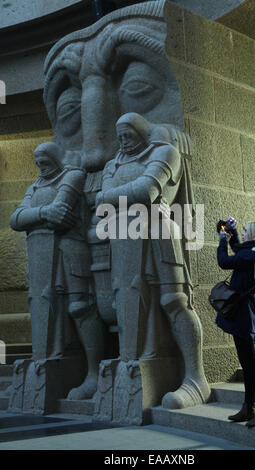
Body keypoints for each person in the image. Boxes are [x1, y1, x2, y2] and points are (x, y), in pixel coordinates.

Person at [95, 112, 211, 409]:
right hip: (124, 237)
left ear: (142, 132)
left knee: (174, 301)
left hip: (161, 233)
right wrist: (125, 198)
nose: (123, 140)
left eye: (128, 134)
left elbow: (148, 190)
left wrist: (115, 198)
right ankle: (142, 369)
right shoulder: (114, 163)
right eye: (119, 135)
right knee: (126, 301)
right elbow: (100, 201)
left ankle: (196, 378)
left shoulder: (165, 152)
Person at [10, 142, 105, 400]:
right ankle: (45, 365)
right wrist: (43, 212)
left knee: (80, 307)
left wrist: (38, 216)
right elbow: (16, 218)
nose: (41, 165)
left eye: (46, 160)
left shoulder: (72, 175)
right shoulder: (37, 186)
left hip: (71, 251)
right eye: (37, 162)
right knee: (43, 305)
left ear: (57, 157)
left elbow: (61, 211)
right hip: (42, 254)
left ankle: (94, 373)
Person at [216, 218, 255, 427]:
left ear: (254, 235)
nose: (243, 232)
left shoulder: (253, 256)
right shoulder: (254, 254)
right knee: (246, 361)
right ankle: (248, 407)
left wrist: (223, 239)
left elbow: (224, 261)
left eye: (245, 231)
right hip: (242, 309)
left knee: (251, 362)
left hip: (244, 312)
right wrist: (231, 233)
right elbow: (239, 250)